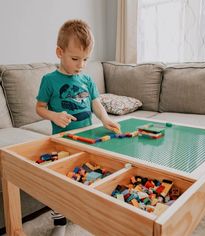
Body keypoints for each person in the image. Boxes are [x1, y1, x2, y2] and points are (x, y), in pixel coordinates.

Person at [36, 19, 120, 236]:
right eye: (75, 59)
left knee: (88, 175)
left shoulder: (87, 79)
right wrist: (54, 115)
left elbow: (95, 103)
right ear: (59, 52)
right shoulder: (49, 80)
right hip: (62, 142)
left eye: (85, 59)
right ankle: (60, 222)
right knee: (59, 182)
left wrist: (104, 118)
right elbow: (40, 108)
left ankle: (82, 212)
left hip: (87, 139)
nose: (81, 65)